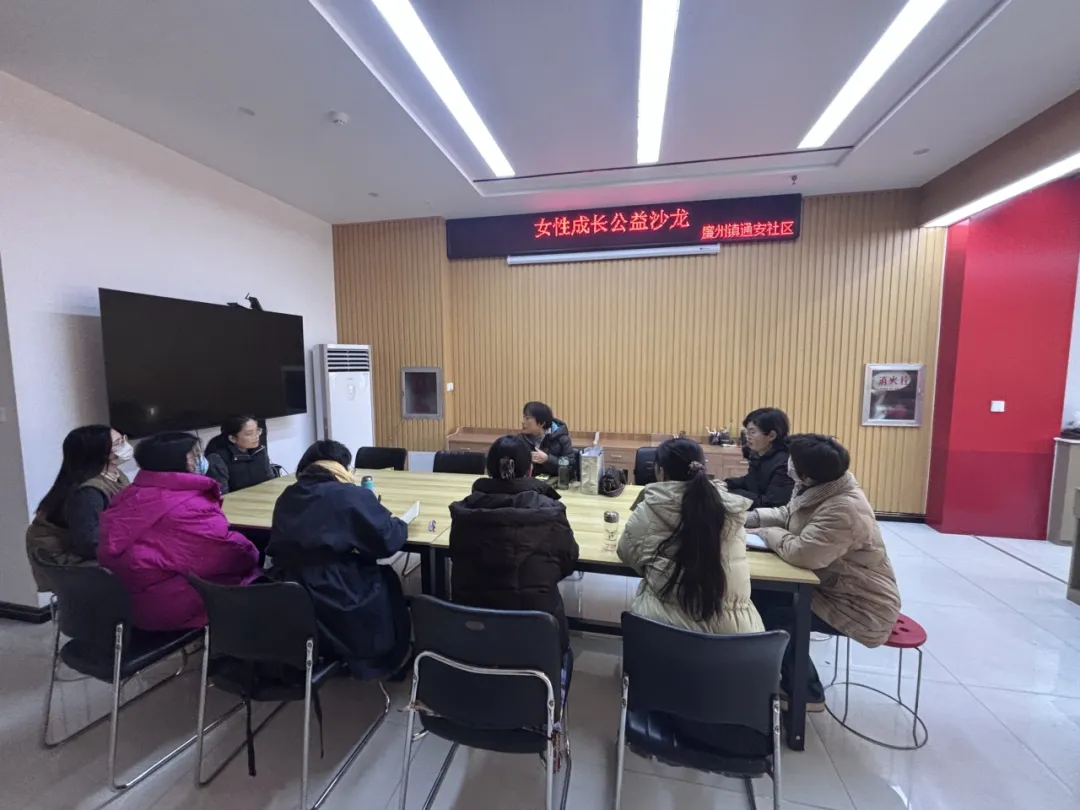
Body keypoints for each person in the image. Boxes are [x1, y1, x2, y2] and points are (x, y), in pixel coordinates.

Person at [747, 434, 901, 711]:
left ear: (807, 474)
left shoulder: (843, 508)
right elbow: (789, 513)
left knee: (780, 618)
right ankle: (773, 673)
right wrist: (750, 518)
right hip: (828, 588)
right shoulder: (821, 486)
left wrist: (767, 533)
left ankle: (807, 693)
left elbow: (803, 553)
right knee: (759, 595)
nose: (788, 464)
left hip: (857, 604)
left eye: (792, 461)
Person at [267, 440, 410, 679]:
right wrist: (400, 524)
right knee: (386, 578)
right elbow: (386, 542)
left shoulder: (288, 494)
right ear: (341, 467)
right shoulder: (350, 494)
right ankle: (384, 657)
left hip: (290, 584)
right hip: (337, 585)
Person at [98, 432, 260, 631]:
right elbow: (227, 556)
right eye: (194, 454)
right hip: (171, 607)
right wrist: (255, 551)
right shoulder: (189, 506)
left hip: (129, 603)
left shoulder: (128, 495)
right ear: (178, 461)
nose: (200, 459)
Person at [618, 437, 763, 635]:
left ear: (660, 471)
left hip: (662, 634)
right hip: (736, 639)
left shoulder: (650, 509)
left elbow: (627, 553)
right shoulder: (731, 509)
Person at [449, 434, 580, 651]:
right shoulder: (550, 512)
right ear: (530, 471)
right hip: (537, 640)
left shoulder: (465, 511)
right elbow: (568, 562)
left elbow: (456, 556)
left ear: (488, 470)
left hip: (474, 638)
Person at [25, 425, 133, 590]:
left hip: (96, 550)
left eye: (123, 439)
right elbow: (88, 544)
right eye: (119, 443)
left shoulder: (115, 475)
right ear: (100, 453)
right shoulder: (88, 493)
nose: (125, 445)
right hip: (75, 563)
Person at [723, 408, 795, 509]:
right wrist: (726, 484)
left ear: (771, 436)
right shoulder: (758, 454)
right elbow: (751, 481)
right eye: (746, 432)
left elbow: (772, 503)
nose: (747, 437)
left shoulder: (784, 464)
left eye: (752, 432)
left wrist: (731, 494)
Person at [205, 415, 275, 495]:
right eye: (249, 433)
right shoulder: (217, 458)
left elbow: (270, 480)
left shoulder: (259, 449)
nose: (256, 436)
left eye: (257, 430)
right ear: (233, 438)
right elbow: (221, 494)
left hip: (262, 497)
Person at [520, 401, 574, 477]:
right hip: (529, 482)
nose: (522, 421)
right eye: (524, 417)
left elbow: (570, 468)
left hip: (554, 482)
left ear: (541, 423)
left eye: (527, 418)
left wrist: (547, 460)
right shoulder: (521, 439)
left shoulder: (561, 438)